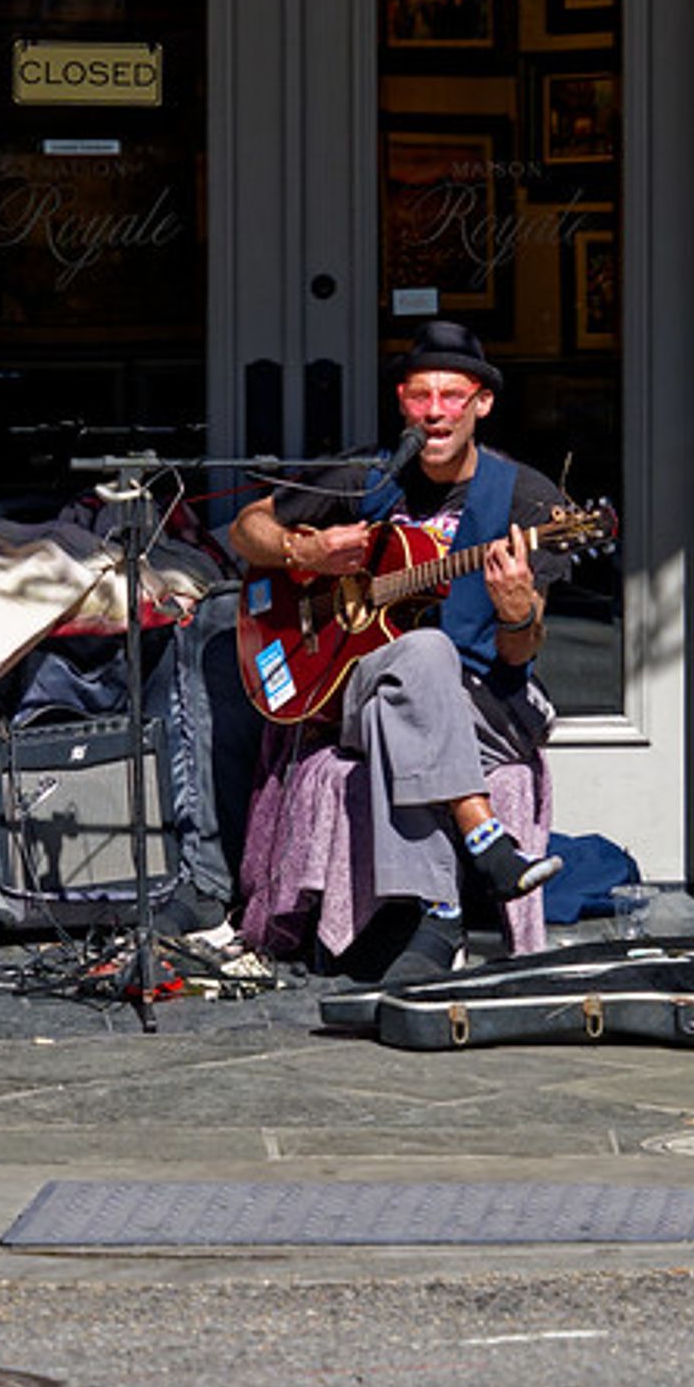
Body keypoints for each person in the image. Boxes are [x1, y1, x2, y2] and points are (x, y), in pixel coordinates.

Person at [229, 318, 567, 985]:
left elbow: (522, 649)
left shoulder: (526, 500)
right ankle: (482, 835)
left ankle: (436, 914)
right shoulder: (367, 478)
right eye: (419, 396)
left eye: (451, 396)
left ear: (482, 403)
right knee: (419, 657)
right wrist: (307, 551)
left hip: (484, 704)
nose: (434, 412)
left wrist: (517, 609)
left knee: (424, 661)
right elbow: (248, 528)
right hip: (351, 689)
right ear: (402, 404)